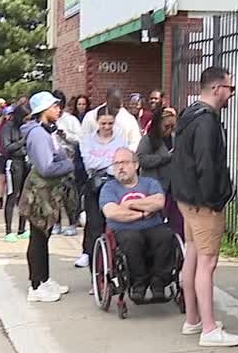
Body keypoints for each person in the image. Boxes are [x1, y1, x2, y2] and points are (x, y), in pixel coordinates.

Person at [171, 66, 238, 348]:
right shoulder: (208, 122)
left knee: (192, 256)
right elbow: (207, 164)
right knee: (208, 262)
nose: (231, 95)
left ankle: (193, 319)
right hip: (204, 203)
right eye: (230, 89)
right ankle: (210, 328)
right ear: (217, 89)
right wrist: (215, 200)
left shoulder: (189, 115)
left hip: (186, 199)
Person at [18, 92, 75, 303]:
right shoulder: (38, 134)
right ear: (43, 110)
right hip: (39, 193)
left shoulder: (46, 131)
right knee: (38, 237)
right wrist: (70, 164)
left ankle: (44, 279)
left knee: (45, 236)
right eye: (54, 106)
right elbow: (46, 167)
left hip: (48, 192)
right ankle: (36, 285)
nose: (58, 109)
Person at [101, 147, 176, 302]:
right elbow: (112, 212)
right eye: (116, 164)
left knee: (166, 236)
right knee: (132, 240)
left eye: (124, 162)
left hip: (153, 226)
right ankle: (138, 283)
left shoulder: (149, 183)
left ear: (135, 165)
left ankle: (159, 283)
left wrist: (129, 204)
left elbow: (159, 202)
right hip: (123, 230)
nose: (120, 167)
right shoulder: (109, 188)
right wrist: (142, 213)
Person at [77, 107, 127, 269]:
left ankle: (114, 264)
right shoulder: (87, 140)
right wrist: (112, 162)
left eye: (110, 123)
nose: (106, 127)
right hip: (94, 188)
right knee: (95, 226)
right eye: (103, 123)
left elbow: (123, 165)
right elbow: (89, 164)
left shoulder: (120, 141)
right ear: (97, 122)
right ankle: (95, 268)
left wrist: (108, 165)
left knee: (115, 225)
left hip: (115, 187)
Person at [136, 105, 181, 238]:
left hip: (173, 189)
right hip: (155, 187)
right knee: (155, 223)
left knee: (177, 223)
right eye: (166, 126)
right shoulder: (148, 140)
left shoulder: (174, 139)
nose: (169, 130)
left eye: (172, 126)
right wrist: (165, 157)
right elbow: (141, 159)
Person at [51, 90, 82, 237]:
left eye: (59, 105)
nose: (57, 109)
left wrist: (66, 136)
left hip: (68, 159)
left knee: (69, 194)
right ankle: (56, 223)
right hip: (52, 159)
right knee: (54, 193)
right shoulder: (49, 119)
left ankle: (71, 223)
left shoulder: (71, 120)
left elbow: (81, 139)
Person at [0, 103, 31, 243]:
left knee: (24, 197)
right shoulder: (8, 127)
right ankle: (8, 230)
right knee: (12, 195)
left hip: (25, 162)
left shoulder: (25, 127)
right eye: (25, 118)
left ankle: (22, 228)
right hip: (13, 163)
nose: (27, 121)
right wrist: (22, 142)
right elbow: (7, 147)